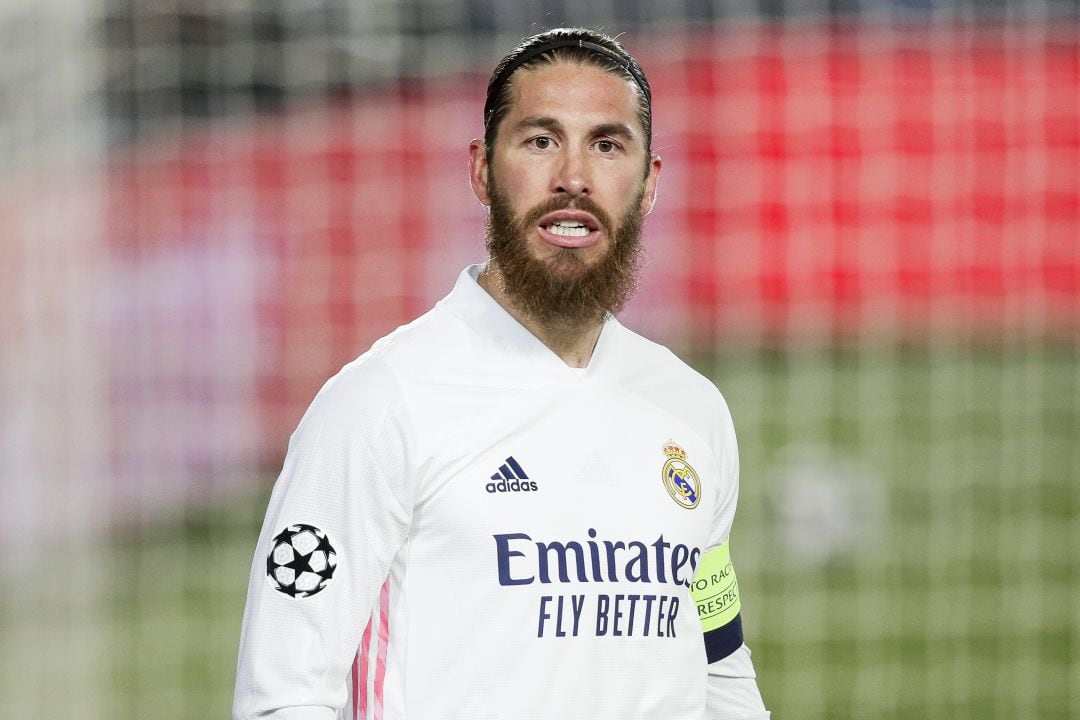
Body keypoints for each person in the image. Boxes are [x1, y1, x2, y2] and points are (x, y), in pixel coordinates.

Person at [234, 27, 770, 720]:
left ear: (648, 184)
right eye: (540, 140)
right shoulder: (379, 404)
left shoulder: (691, 410)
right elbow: (283, 697)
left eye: (606, 145)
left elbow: (720, 661)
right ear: (482, 169)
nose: (573, 176)